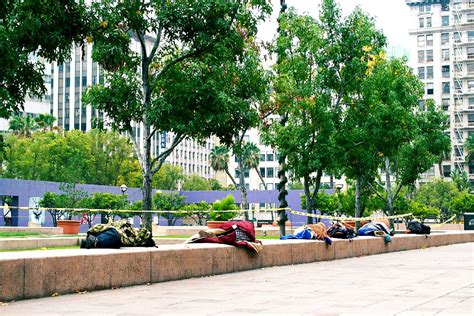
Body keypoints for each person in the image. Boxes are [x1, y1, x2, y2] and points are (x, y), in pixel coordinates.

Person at [81, 219, 156, 249]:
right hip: (105, 232)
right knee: (115, 233)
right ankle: (93, 240)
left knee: (116, 236)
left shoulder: (135, 240)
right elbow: (114, 225)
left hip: (111, 235)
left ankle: (92, 242)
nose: (140, 230)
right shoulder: (131, 229)